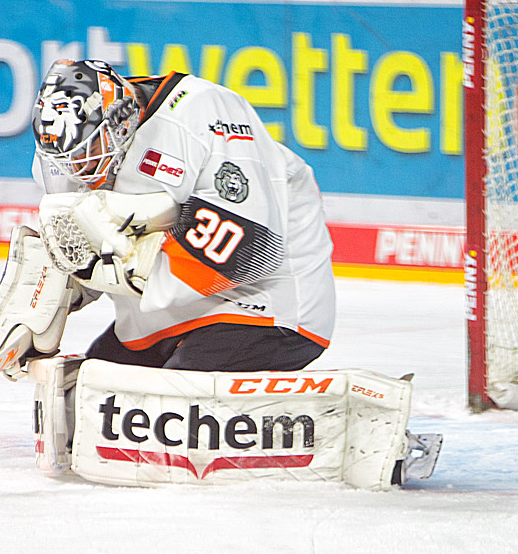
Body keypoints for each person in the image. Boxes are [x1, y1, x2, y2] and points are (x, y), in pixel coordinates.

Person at [29, 59, 335, 373]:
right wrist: (43, 307)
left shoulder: (202, 111)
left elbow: (249, 247)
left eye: (86, 150)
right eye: (68, 158)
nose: (76, 167)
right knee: (91, 390)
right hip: (164, 317)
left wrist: (126, 270)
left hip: (264, 306)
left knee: (168, 399)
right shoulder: (65, 155)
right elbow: (85, 248)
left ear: (119, 122)